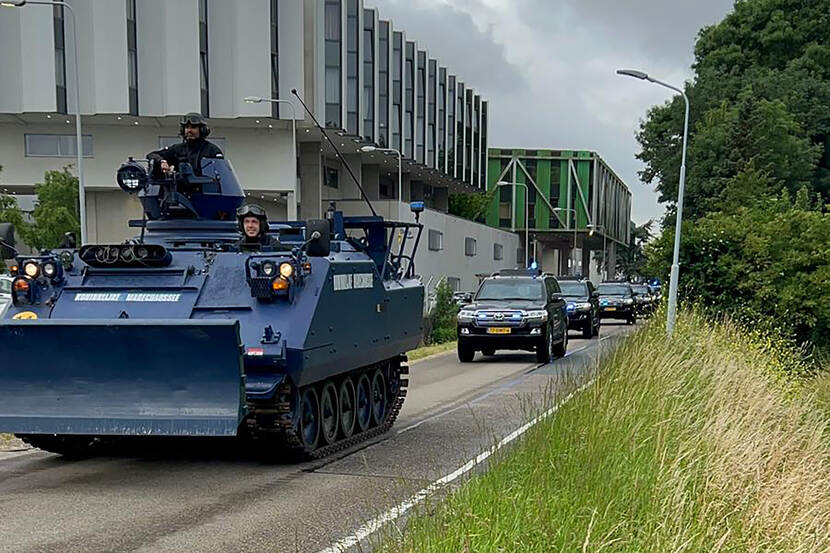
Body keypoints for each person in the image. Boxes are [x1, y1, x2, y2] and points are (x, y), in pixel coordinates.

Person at [146, 112, 223, 176]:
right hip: (180, 192)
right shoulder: (177, 149)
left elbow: (221, 173)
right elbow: (152, 155)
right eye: (186, 127)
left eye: (193, 127)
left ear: (202, 130)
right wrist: (162, 161)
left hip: (206, 191)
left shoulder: (212, 150)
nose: (189, 130)